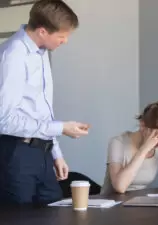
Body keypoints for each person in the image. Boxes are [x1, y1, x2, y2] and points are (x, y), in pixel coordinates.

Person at [0, 0, 90, 205]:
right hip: (17, 155)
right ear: (42, 31)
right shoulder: (13, 55)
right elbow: (4, 120)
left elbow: (42, 112)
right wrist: (61, 128)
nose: (65, 41)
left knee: (54, 213)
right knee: (19, 219)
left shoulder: (41, 54)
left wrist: (56, 153)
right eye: (61, 36)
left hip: (43, 153)